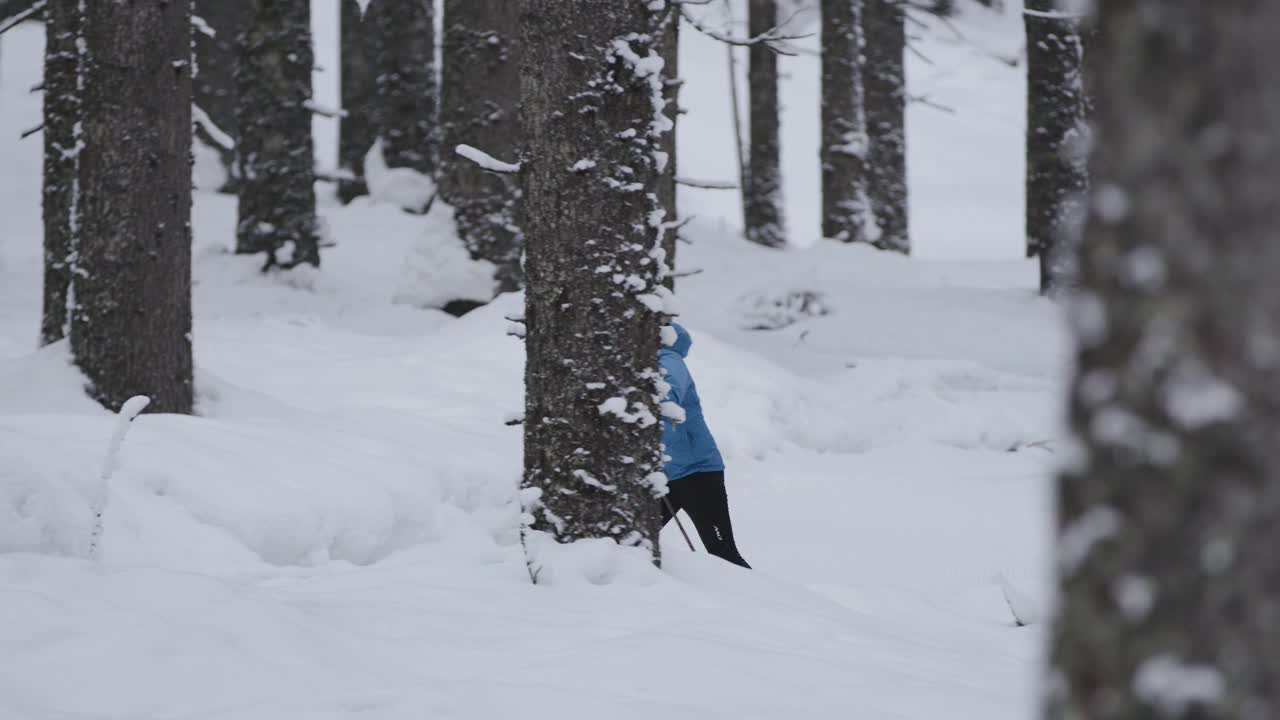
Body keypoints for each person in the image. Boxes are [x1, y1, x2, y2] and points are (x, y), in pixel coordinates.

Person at [658, 323, 751, 569]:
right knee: (632, 543)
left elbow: (668, 398)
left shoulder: (668, 359)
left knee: (723, 554)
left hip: (697, 474)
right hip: (665, 477)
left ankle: (763, 604)